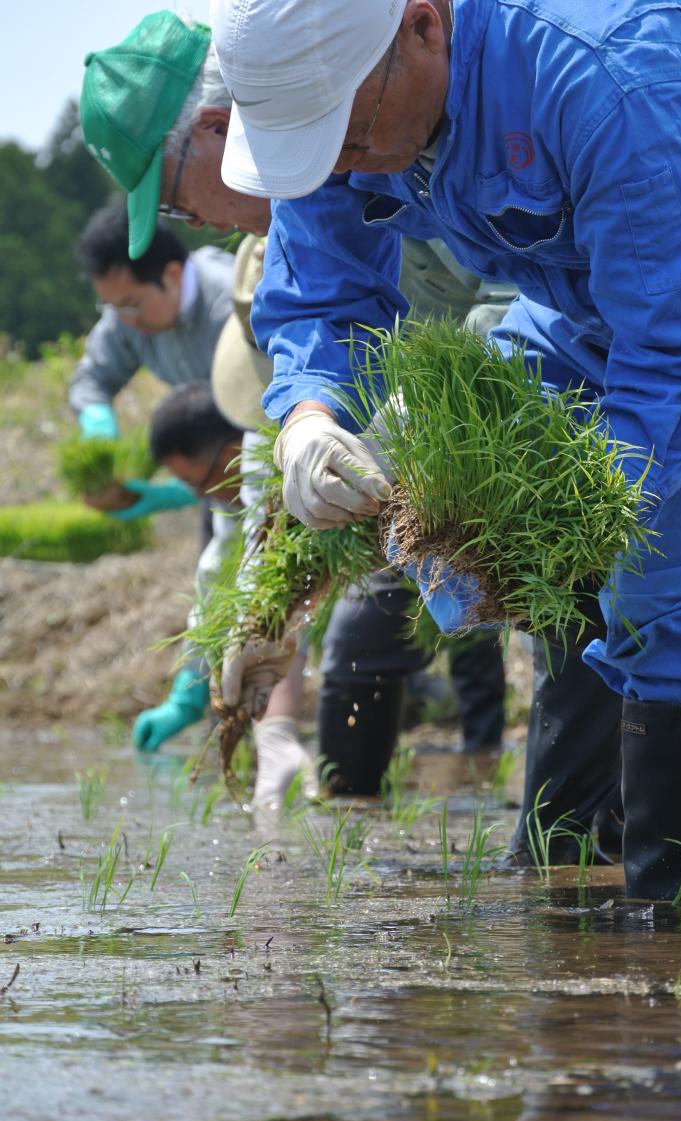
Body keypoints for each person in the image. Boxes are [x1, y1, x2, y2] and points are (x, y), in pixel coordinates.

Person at [210, 0, 681, 901]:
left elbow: (680, 348)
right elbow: (320, 295)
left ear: (422, 26)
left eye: (351, 135)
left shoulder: (605, 67)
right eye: (313, 145)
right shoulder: (349, 97)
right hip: (597, 305)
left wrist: (591, 529)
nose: (338, 166)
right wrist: (309, 428)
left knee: (660, 595)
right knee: (435, 465)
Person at [79, 10, 509, 798]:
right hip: (432, 469)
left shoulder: (390, 135)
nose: (197, 227)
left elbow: (525, 296)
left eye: (175, 204)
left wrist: (432, 412)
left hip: (559, 413)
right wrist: (257, 639)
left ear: (213, 130)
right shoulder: (309, 212)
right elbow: (263, 493)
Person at [137, 379, 314, 807]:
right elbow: (215, 575)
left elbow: (270, 579)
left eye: (198, 483)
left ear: (229, 450)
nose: (203, 496)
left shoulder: (259, 453)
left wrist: (277, 727)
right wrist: (190, 684)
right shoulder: (230, 495)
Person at [70, 196, 234, 527]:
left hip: (258, 467)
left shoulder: (230, 309)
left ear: (172, 275)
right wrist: (96, 420)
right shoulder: (126, 315)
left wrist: (178, 491)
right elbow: (92, 380)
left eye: (130, 304)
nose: (124, 319)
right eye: (112, 306)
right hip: (206, 481)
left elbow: (260, 421)